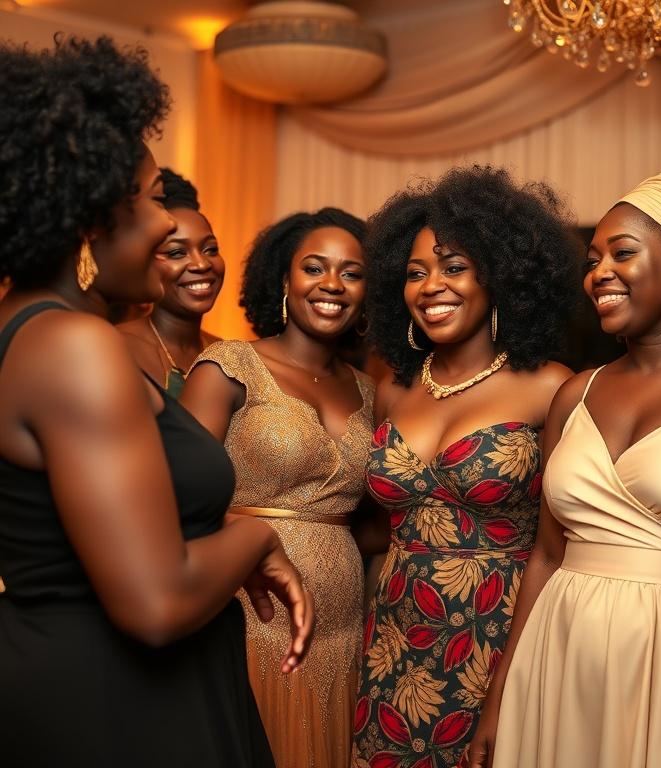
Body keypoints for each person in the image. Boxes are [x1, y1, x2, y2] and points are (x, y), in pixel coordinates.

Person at [0, 36, 311, 767]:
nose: (171, 223)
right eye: (148, 200)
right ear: (86, 224)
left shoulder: (26, 329)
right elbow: (157, 605)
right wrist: (257, 540)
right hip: (117, 704)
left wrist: (222, 522)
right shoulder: (74, 349)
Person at [469, 169, 661, 768]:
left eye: (622, 253)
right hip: (562, 642)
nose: (599, 273)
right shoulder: (575, 393)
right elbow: (547, 554)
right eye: (593, 259)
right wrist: (500, 693)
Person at [351, 166, 577, 768]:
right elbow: (374, 527)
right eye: (415, 273)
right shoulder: (393, 390)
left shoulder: (551, 388)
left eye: (453, 268)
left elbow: (558, 549)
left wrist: (504, 695)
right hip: (394, 637)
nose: (431, 287)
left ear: (500, 276)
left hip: (498, 635)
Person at [180, 207, 373, 768]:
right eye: (314, 267)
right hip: (250, 612)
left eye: (352, 272)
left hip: (343, 628)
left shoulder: (370, 389)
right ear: (283, 280)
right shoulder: (228, 366)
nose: (332, 284)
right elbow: (180, 498)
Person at [120, 168, 223, 397]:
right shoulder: (119, 347)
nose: (201, 264)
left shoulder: (227, 353)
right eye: (177, 253)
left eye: (211, 249)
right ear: (146, 262)